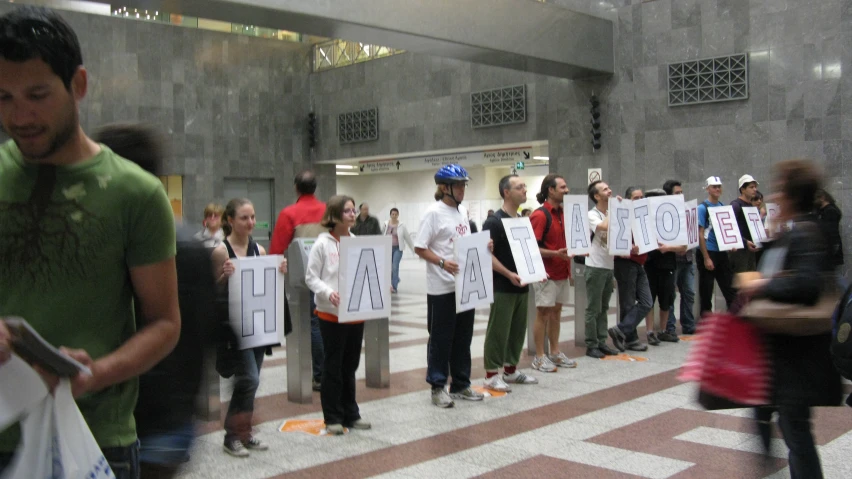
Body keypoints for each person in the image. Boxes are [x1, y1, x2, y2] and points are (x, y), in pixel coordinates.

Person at [0, 8, 180, 477]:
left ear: (78, 85)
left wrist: (95, 373)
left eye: (37, 95)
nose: (19, 116)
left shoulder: (135, 194)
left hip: (94, 441)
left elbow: (164, 323)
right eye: (3, 97)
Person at [95, 123, 215, 478]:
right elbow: (208, 326)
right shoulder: (191, 243)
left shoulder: (107, 242)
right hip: (170, 419)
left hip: (123, 416)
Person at [739, 159, 842, 479]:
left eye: (781, 189)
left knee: (796, 432)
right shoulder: (790, 232)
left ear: (793, 195)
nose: (774, 195)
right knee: (770, 419)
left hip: (795, 358)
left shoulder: (807, 233)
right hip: (777, 355)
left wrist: (763, 283)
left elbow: (806, 285)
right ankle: (771, 464)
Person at [212, 198, 287, 457]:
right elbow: (210, 291)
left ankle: (243, 432)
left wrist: (278, 272)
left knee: (251, 382)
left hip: (257, 325)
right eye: (244, 218)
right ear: (230, 220)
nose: (251, 222)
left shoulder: (259, 251)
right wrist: (224, 276)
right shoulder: (221, 251)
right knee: (250, 378)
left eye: (253, 217)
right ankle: (232, 434)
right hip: (235, 327)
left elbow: (266, 286)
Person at [414, 164, 488, 407]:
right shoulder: (433, 213)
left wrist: (483, 248)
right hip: (442, 288)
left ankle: (461, 384)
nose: (462, 189)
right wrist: (442, 262)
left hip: (464, 285)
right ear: (445, 188)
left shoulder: (462, 212)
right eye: (458, 185)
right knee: (440, 338)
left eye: (464, 185)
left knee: (463, 338)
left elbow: (463, 242)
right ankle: (437, 386)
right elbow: (419, 247)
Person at [305, 195, 371, 435]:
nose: (353, 214)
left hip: (355, 313)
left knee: (350, 365)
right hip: (330, 314)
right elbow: (311, 277)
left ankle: (350, 413)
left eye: (354, 210)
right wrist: (328, 292)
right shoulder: (322, 244)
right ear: (334, 215)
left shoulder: (356, 241)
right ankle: (332, 416)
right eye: (347, 211)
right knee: (333, 365)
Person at [270, 170, 326, 391]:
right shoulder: (327, 210)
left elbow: (276, 249)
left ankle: (320, 374)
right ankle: (326, 371)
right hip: (330, 273)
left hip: (303, 279)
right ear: (315, 187)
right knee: (325, 322)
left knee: (312, 323)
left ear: (296, 188)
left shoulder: (290, 213)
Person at [482, 175, 539, 392]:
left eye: (524, 186)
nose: (525, 190)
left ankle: (511, 370)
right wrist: (508, 274)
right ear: (506, 192)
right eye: (519, 187)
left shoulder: (521, 221)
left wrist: (535, 271)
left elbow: (527, 252)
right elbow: (487, 255)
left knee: (517, 329)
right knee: (499, 330)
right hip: (502, 285)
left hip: (522, 284)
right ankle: (490, 374)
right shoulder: (494, 222)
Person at [529, 174, 578, 370]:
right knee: (543, 314)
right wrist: (554, 253)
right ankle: (539, 356)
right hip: (545, 275)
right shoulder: (540, 215)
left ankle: (555, 352)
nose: (567, 190)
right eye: (563, 187)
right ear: (551, 190)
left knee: (556, 313)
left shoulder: (564, 214)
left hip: (561, 272)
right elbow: (531, 248)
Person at [608, 187, 652, 352]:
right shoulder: (623, 214)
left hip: (639, 263)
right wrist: (628, 247)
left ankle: (621, 330)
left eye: (642, 197)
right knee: (627, 303)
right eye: (635, 197)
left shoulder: (643, 217)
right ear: (628, 200)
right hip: (625, 263)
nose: (639, 200)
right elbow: (615, 236)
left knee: (646, 301)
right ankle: (630, 339)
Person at [640, 189, 687, 344]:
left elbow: (683, 246)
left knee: (666, 299)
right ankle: (649, 331)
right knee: (649, 299)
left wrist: (668, 248)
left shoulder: (672, 220)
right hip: (649, 264)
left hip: (668, 264)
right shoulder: (644, 220)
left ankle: (663, 330)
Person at [585, 181, 620, 358]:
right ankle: (591, 344)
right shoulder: (592, 214)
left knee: (604, 306)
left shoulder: (610, 211)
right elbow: (604, 227)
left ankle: (601, 341)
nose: (610, 190)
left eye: (609, 187)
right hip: (595, 265)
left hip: (608, 265)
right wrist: (613, 208)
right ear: (597, 196)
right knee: (593, 307)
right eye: (605, 189)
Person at [697, 176, 737, 317]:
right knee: (706, 292)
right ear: (708, 189)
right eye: (714, 186)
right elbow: (700, 234)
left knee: (730, 289)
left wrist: (731, 244)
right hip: (708, 252)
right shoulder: (702, 208)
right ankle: (706, 324)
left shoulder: (722, 206)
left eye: (719, 186)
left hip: (721, 253)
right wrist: (706, 257)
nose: (717, 189)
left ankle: (733, 323)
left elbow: (725, 230)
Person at [662, 180, 696, 338]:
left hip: (687, 259)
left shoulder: (687, 211)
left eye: (681, 192)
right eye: (677, 193)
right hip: (672, 260)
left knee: (688, 292)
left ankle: (688, 324)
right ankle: (670, 326)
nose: (681, 195)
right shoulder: (664, 213)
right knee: (671, 294)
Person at [729, 174, 760, 274]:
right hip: (739, 251)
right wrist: (745, 242)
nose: (754, 189)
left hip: (750, 249)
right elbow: (730, 229)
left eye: (755, 187)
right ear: (742, 189)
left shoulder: (751, 205)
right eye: (751, 187)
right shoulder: (736, 205)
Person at [382, 207, 415, 293]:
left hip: (398, 249)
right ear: (390, 215)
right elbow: (381, 235)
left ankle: (394, 287)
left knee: (395, 266)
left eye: (396, 214)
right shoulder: (385, 224)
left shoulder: (401, 225)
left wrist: (413, 249)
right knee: (389, 268)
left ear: (398, 215)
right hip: (388, 248)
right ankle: (395, 279)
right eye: (392, 214)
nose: (394, 216)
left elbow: (407, 238)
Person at [815, 188, 844, 270]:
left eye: (816, 199)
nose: (815, 202)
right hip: (829, 247)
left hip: (829, 248)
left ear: (822, 198)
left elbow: (830, 231)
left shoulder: (830, 211)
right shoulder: (826, 210)